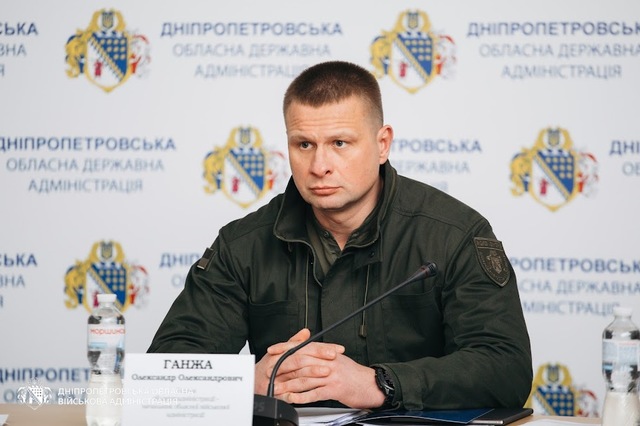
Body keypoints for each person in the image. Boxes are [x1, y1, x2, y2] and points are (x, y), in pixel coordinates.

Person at [148, 60, 532, 410]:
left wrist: (381, 383)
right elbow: (163, 372)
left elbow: (505, 369)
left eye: (339, 143)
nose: (319, 166)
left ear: (382, 144)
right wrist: (246, 382)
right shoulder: (243, 244)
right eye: (304, 145)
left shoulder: (453, 235)